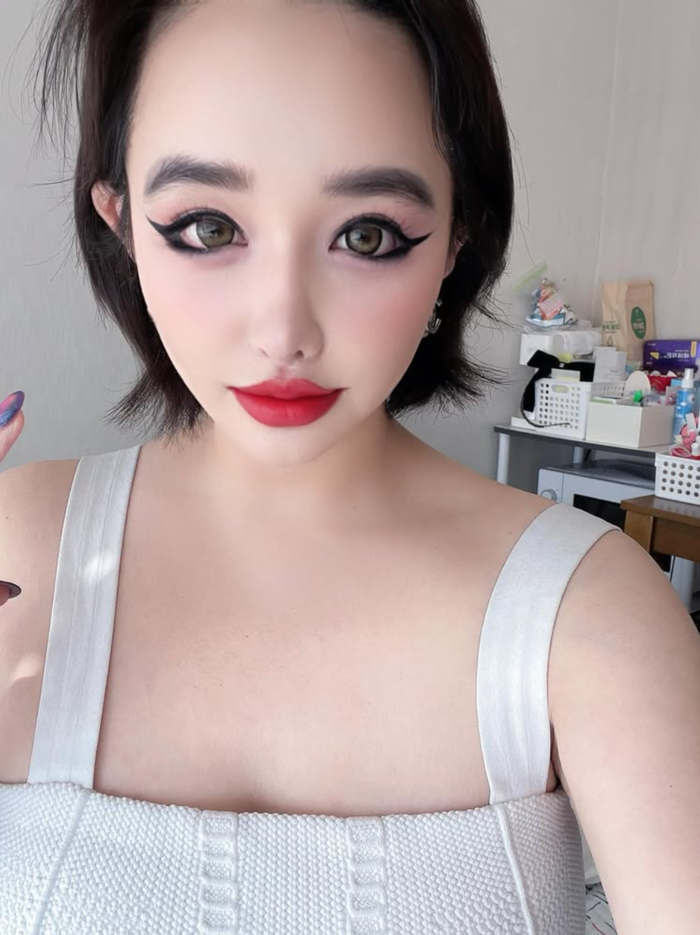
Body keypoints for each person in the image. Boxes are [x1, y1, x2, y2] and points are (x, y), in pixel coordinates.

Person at [0, 1, 698, 933]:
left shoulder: (589, 609)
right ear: (121, 221)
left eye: (367, 234)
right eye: (207, 227)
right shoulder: (16, 549)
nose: (283, 330)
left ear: (455, 236)